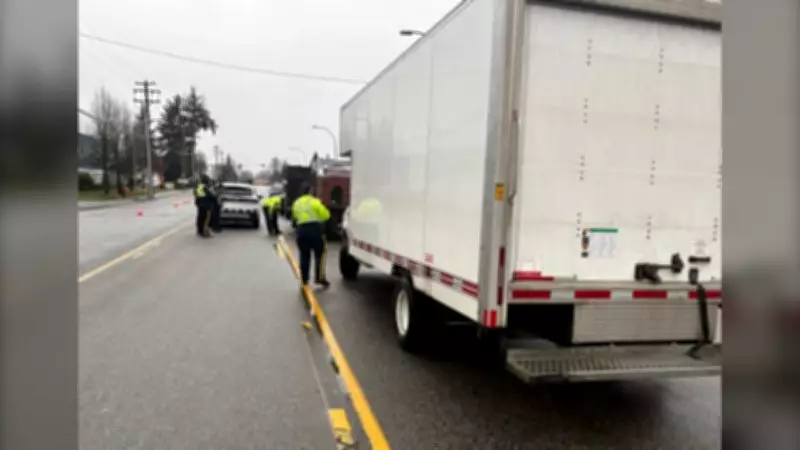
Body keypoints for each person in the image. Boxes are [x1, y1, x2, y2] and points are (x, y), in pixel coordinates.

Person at [291, 183, 331, 288]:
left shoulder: (297, 202)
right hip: (315, 230)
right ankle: (319, 277)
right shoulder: (315, 202)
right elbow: (326, 215)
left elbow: (295, 216)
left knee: (304, 255)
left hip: (301, 231)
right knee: (320, 255)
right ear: (310, 191)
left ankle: (304, 279)